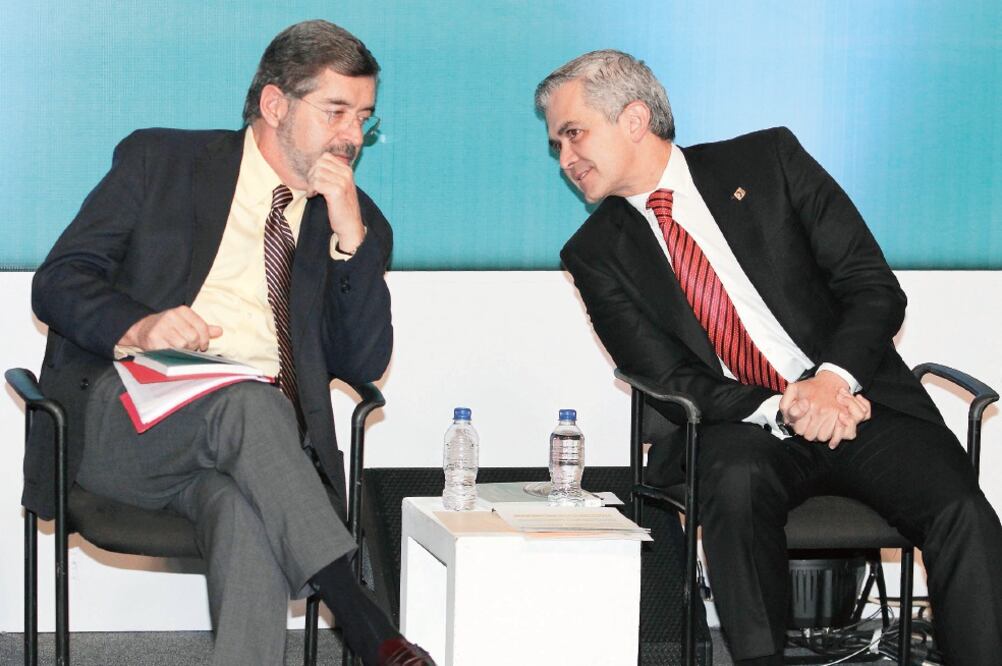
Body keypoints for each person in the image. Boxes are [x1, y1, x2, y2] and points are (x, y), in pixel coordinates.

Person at [535, 49, 1002, 664]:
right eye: (557, 145)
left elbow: (872, 286)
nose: (566, 160)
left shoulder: (768, 161)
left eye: (574, 135)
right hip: (742, 423)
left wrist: (831, 381)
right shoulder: (594, 253)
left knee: (961, 510)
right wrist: (785, 405)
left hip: (859, 401)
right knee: (733, 484)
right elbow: (667, 376)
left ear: (633, 118)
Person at [26, 20, 434, 666]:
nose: (352, 137)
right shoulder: (162, 163)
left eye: (363, 118)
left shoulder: (355, 221)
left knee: (245, 511)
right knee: (249, 401)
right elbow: (57, 283)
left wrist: (352, 243)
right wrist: (141, 326)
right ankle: (361, 616)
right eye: (336, 112)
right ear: (276, 105)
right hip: (135, 423)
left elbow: (362, 364)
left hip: (256, 458)